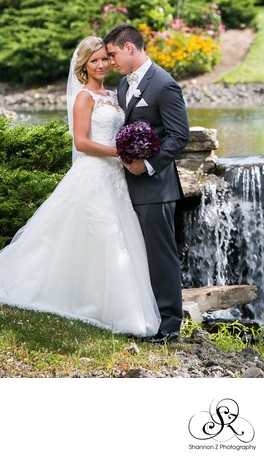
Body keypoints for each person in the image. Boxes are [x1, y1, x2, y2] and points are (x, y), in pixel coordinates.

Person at [0, 36, 160, 338]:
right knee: (96, 234)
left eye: (103, 59)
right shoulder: (85, 97)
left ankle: (107, 302)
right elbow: (82, 143)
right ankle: (86, 301)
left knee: (115, 237)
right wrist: (121, 153)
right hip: (94, 173)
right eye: (93, 60)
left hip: (115, 178)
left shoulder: (113, 94)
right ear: (83, 65)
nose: (100, 65)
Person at [104, 24, 190, 343]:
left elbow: (179, 135)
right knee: (139, 254)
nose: (110, 60)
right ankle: (147, 317)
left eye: (112, 54)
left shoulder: (164, 85)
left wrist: (148, 165)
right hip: (128, 187)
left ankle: (169, 326)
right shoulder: (123, 86)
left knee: (160, 255)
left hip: (157, 188)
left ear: (129, 48)